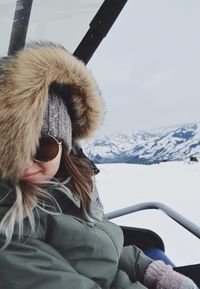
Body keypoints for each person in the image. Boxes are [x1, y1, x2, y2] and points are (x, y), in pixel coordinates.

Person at [0, 41, 198, 289]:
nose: (24, 162)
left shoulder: (68, 187)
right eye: (11, 148)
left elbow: (101, 250)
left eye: (42, 146)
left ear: (64, 146)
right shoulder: (11, 227)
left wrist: (154, 272)